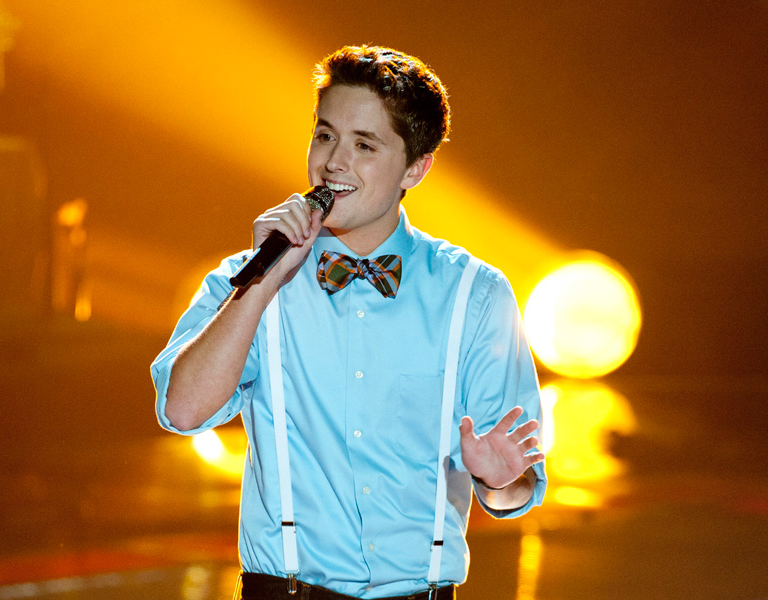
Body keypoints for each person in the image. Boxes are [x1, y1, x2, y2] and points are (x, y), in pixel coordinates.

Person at [151, 44, 546, 600]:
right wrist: (261, 283)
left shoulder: (474, 294)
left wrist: (497, 480)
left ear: (416, 167)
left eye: (364, 145)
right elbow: (181, 411)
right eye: (325, 135)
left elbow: (515, 488)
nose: (334, 162)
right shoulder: (246, 279)